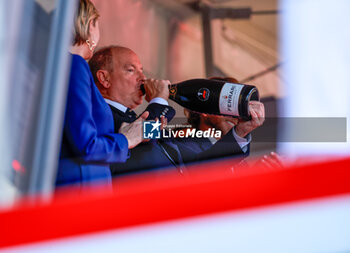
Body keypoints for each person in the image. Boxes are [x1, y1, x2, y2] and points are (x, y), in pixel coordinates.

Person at [89, 46, 265, 175]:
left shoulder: (134, 118)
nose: (143, 78)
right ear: (104, 78)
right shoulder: (99, 115)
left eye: (142, 71)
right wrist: (159, 99)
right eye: (131, 70)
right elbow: (142, 137)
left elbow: (196, 170)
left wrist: (240, 132)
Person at [56, 0, 147, 187]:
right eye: (131, 70)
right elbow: (87, 145)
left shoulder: (65, 65)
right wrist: (126, 139)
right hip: (79, 189)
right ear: (91, 25)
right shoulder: (75, 65)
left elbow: (152, 133)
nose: (143, 78)